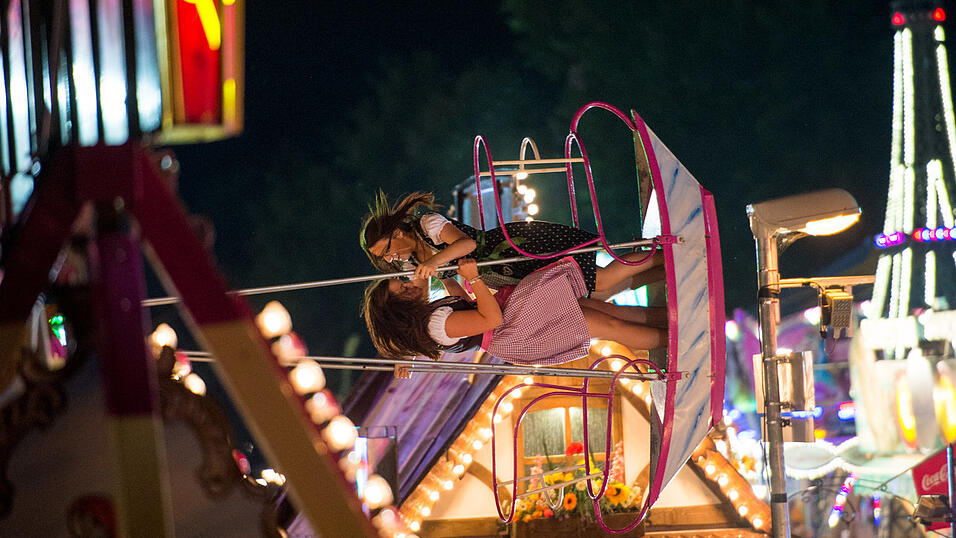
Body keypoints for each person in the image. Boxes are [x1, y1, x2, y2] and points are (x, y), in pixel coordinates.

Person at [362, 256, 667, 373]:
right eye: (401, 290)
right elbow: (490, 319)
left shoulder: (432, 316)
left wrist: (447, 277)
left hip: (521, 316)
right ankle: (672, 337)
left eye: (401, 283)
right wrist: (476, 279)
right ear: (399, 309)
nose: (408, 286)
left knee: (608, 312)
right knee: (608, 324)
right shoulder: (435, 324)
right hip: (518, 327)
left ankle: (670, 319)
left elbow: (460, 302)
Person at [359, 191, 664, 292]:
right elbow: (450, 286)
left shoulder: (428, 225)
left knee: (603, 279)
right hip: (507, 275)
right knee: (595, 291)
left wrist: (432, 262)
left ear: (397, 232)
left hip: (516, 248)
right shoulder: (416, 262)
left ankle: (663, 254)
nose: (389, 259)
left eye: (386, 251)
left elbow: (466, 245)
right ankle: (662, 273)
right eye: (383, 258)